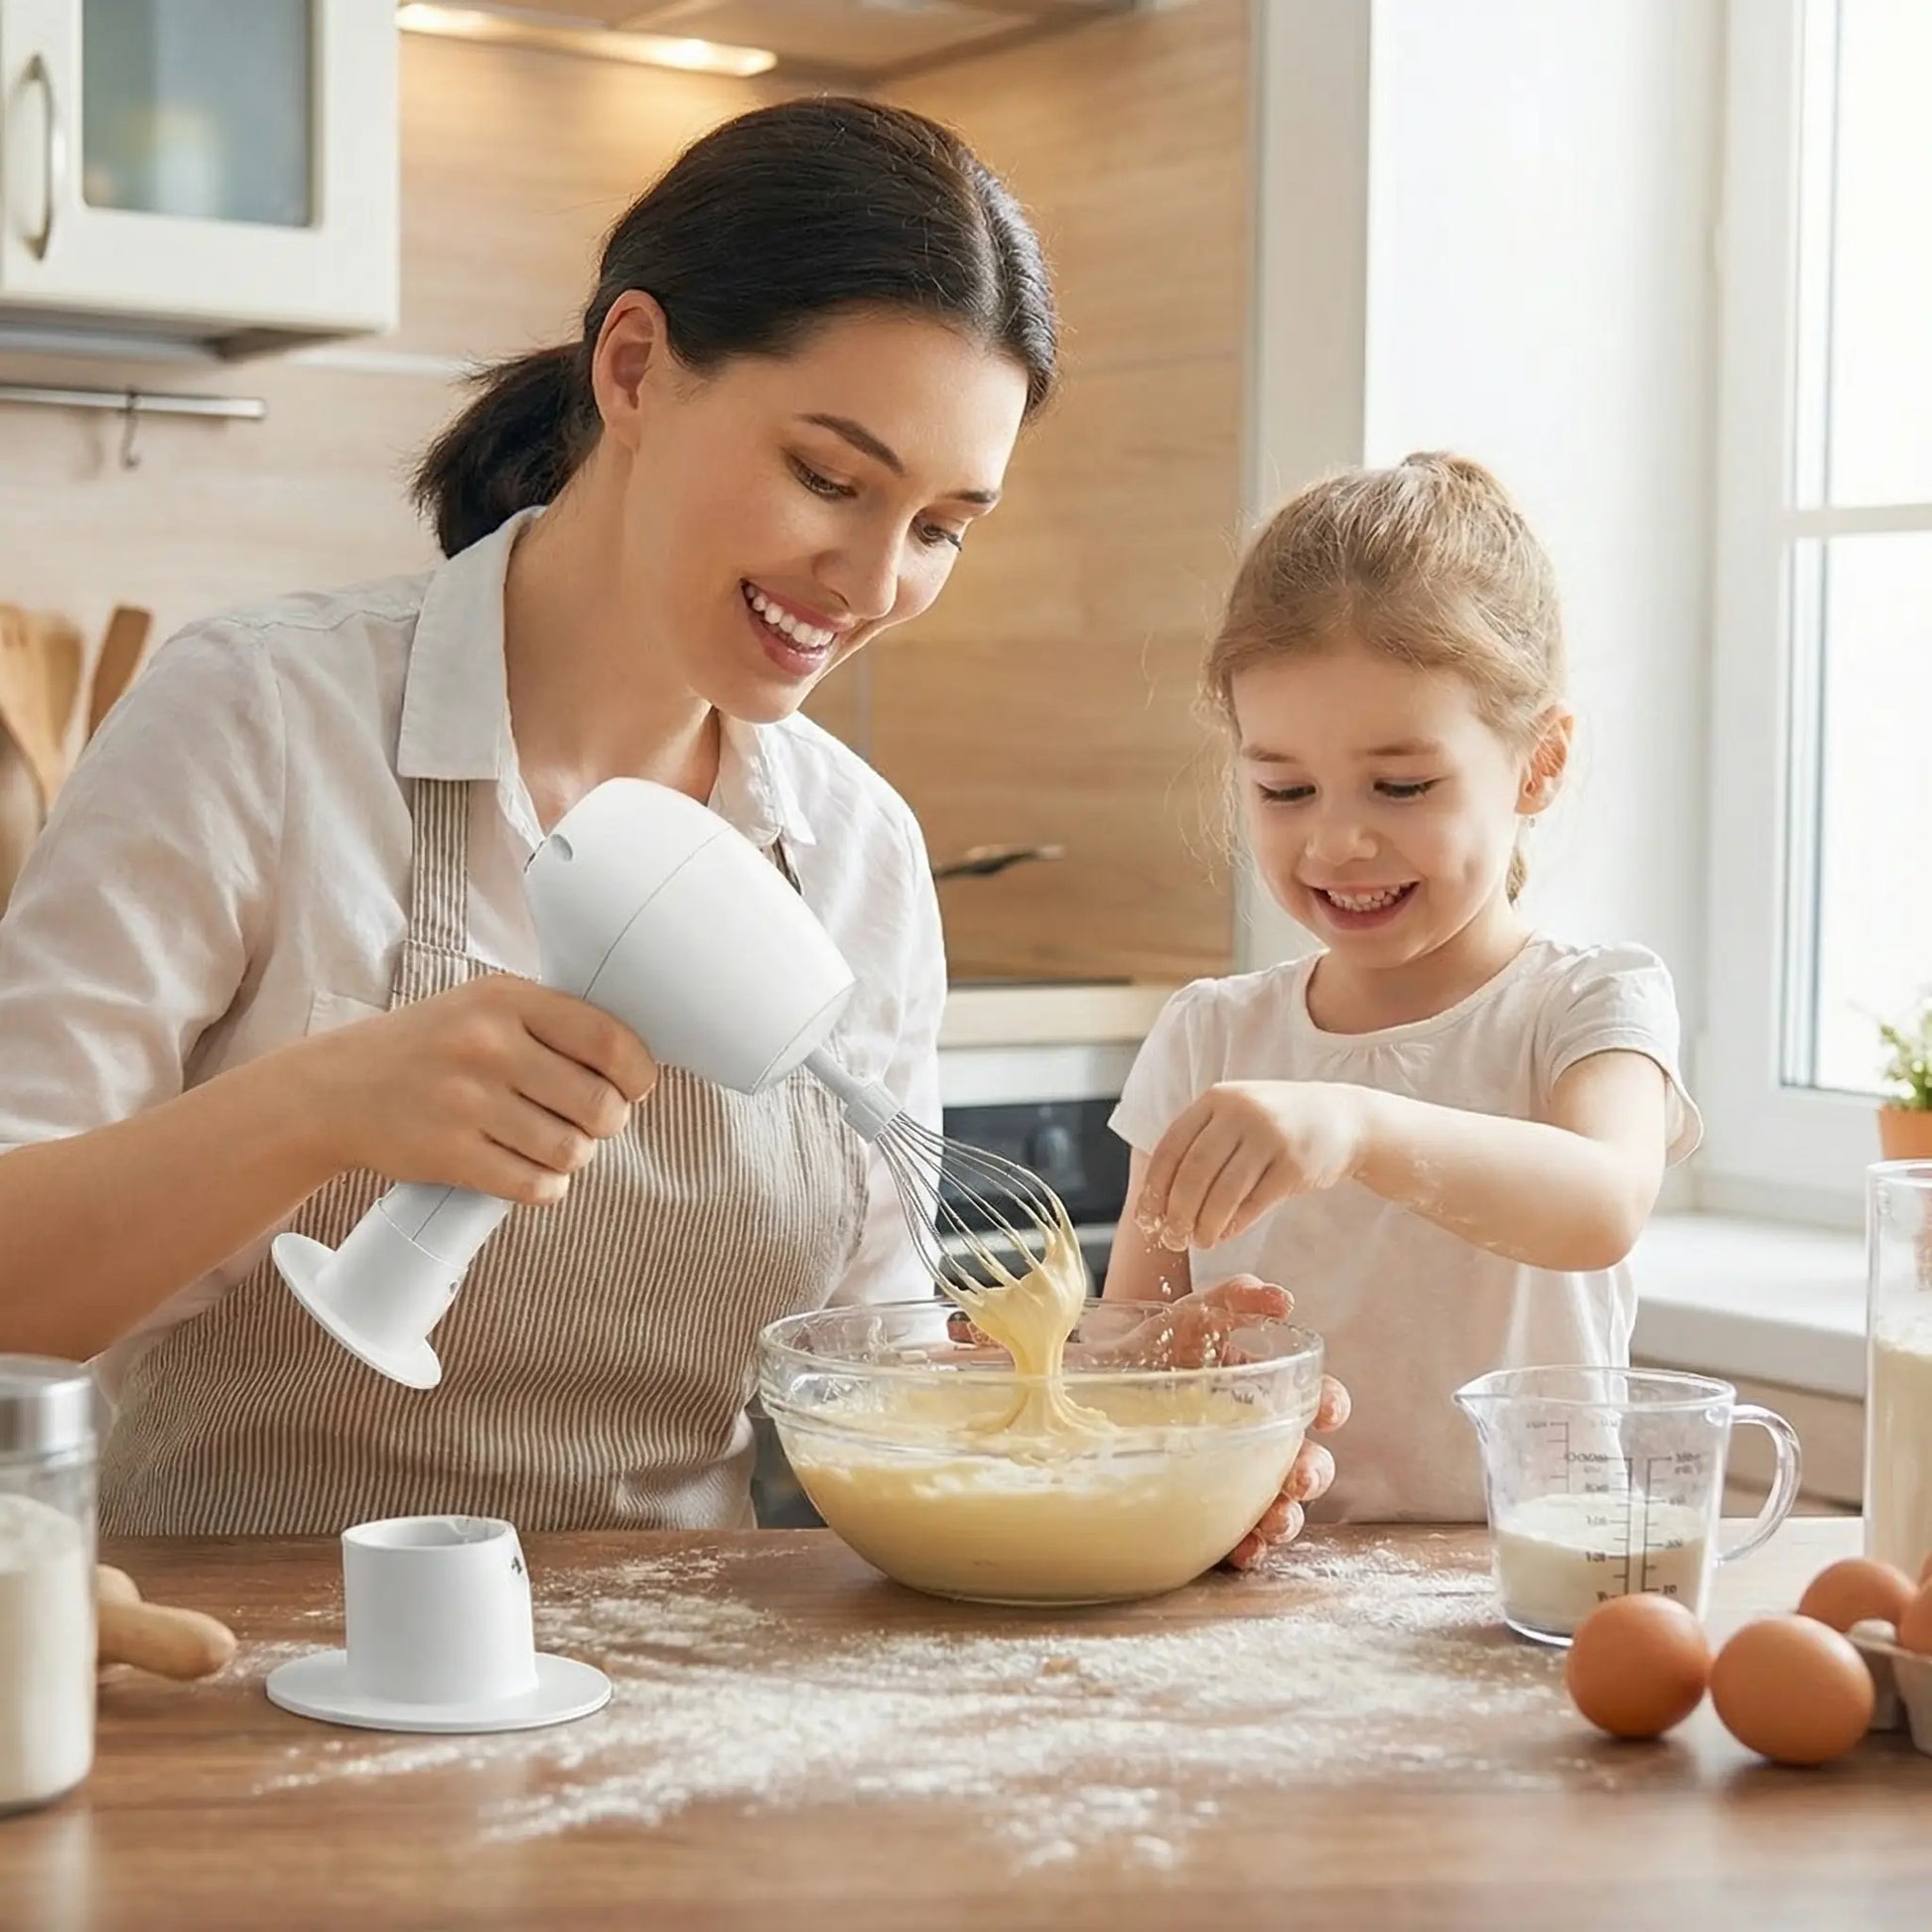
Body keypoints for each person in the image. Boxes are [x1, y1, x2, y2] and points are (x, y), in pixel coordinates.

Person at [0, 94, 1343, 1547]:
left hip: (666, 1702)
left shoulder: (858, 854)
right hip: (227, 1677)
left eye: (943, 525)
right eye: (827, 477)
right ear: (632, 369)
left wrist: (1131, 1450)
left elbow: (873, 1374)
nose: (873, 580)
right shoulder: (260, 720)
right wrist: (312, 1107)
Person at [1105, 453, 1701, 1527]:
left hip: (1523, 1593)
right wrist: (1165, 1408)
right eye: (1282, 788)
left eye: (1401, 784)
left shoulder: (1587, 1006)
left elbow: (1601, 1202)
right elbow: (1130, 1343)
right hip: (1256, 1602)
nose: (1336, 839)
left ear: (1538, 762)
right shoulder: (1208, 1035)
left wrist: (1355, 1125)